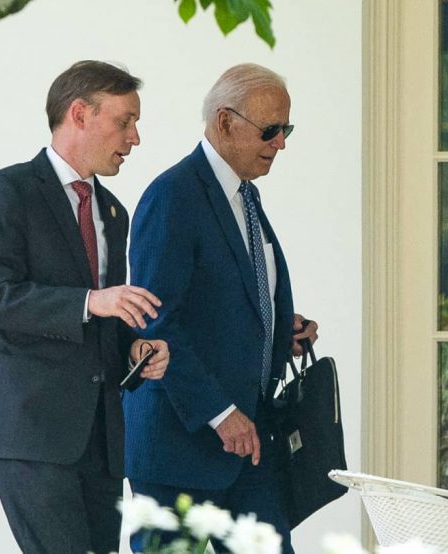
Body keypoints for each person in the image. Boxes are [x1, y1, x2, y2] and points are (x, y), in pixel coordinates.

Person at [0, 60, 169, 554]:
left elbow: (100, 323)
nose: (135, 137)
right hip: (32, 433)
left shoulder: (113, 212)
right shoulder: (7, 192)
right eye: (125, 121)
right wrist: (91, 301)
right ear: (79, 114)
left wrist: (137, 350)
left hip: (100, 441)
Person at [125, 63, 319, 553]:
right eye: (270, 130)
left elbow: (226, 300)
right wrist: (220, 413)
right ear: (225, 122)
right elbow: (155, 319)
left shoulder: (244, 197)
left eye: (286, 129)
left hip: (248, 444)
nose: (281, 144)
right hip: (180, 448)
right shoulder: (173, 196)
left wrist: (278, 331)